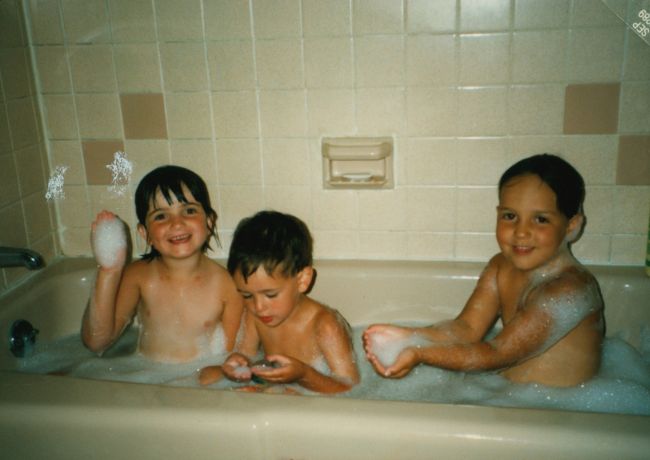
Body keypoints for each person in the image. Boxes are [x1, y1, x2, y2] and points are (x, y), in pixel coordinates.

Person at [363, 153, 605, 387]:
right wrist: (409, 336)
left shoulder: (569, 289)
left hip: (558, 414)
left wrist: (421, 353)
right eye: (510, 216)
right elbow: (466, 329)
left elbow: (499, 353)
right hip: (513, 397)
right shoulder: (500, 266)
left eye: (540, 219)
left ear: (571, 225)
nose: (521, 232)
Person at [82, 165, 243, 363]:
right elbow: (97, 342)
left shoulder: (227, 286)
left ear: (209, 222)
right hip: (147, 380)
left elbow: (232, 358)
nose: (176, 223)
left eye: (189, 210)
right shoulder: (139, 276)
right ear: (145, 233)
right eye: (161, 216)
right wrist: (109, 270)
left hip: (199, 385)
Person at [199, 210, 360, 394]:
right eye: (247, 295)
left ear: (302, 280)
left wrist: (303, 375)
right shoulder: (256, 315)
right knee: (206, 376)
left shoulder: (325, 325)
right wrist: (236, 365)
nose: (258, 307)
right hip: (278, 387)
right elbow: (246, 356)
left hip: (316, 393)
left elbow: (349, 388)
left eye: (271, 294)